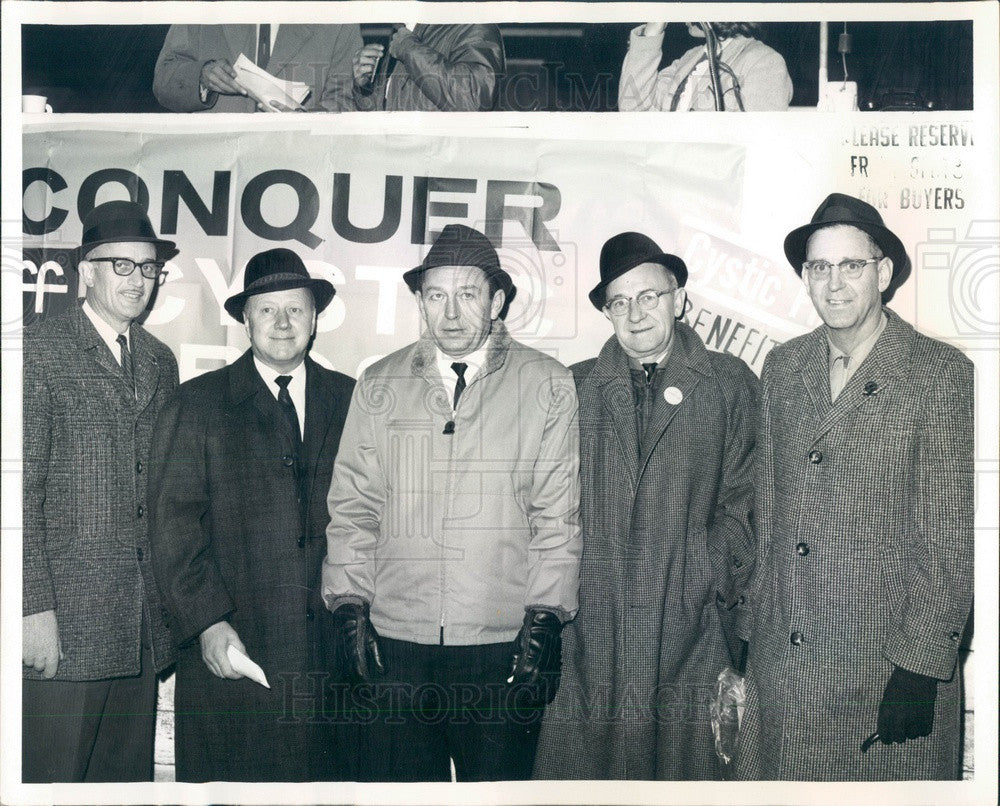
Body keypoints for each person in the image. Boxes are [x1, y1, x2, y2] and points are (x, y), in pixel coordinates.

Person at [322, 223, 581, 781]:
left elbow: (556, 518)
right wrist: (348, 605)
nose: (453, 313)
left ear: (498, 300)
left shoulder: (548, 385)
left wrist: (545, 621)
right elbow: (354, 507)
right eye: (437, 296)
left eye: (468, 294)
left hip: (500, 650)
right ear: (420, 301)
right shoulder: (378, 384)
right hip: (397, 648)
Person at [736, 193, 974, 780]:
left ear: (884, 272)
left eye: (852, 266)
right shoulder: (783, 367)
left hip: (882, 668)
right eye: (819, 267)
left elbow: (948, 539)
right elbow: (768, 512)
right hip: (784, 662)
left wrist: (920, 666)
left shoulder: (941, 375)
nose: (833, 283)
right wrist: (748, 634)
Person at [532, 232, 759, 780]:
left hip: (695, 632)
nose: (636, 314)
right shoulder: (575, 386)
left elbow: (748, 506)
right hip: (591, 635)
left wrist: (699, 570)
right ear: (607, 312)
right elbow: (547, 506)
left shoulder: (728, 384)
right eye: (619, 301)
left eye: (649, 296)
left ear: (678, 298)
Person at [147, 249, 355, 781]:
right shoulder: (196, 405)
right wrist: (208, 623)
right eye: (267, 309)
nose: (282, 323)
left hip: (329, 665)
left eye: (296, 309)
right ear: (245, 318)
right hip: (234, 656)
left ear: (315, 318)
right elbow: (172, 529)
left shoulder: (352, 401)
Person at [22, 200, 179, 782]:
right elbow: (16, 496)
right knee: (50, 782)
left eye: (148, 267)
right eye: (122, 266)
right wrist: (30, 608)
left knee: (122, 787)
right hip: (62, 628)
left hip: (138, 632)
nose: (139, 280)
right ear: (85, 271)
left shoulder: (160, 361)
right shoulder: (39, 352)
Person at [153, 24, 361, 112]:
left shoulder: (338, 19)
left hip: (294, 172)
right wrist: (201, 76)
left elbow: (346, 101)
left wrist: (307, 122)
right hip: (210, 174)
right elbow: (163, 81)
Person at [619, 22, 792, 111]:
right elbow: (633, 109)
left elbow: (757, 144)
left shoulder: (764, 61)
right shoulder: (689, 58)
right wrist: (653, 30)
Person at [350, 24, 505, 111]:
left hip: (444, 165)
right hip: (400, 164)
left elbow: (472, 100)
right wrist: (364, 90)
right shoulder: (401, 31)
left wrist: (408, 48)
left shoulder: (473, 24)